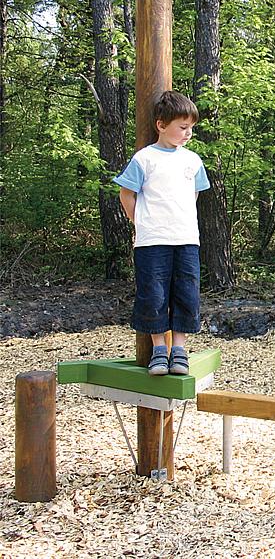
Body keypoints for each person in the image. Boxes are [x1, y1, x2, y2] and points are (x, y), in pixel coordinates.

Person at [113, 91, 210, 376]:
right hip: (152, 241)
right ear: (161, 125)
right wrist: (140, 222)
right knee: (153, 295)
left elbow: (193, 195)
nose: (188, 133)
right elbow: (126, 194)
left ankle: (179, 349)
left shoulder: (192, 160)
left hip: (187, 239)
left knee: (187, 293)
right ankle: (159, 349)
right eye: (183, 127)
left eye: (191, 127)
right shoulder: (145, 159)